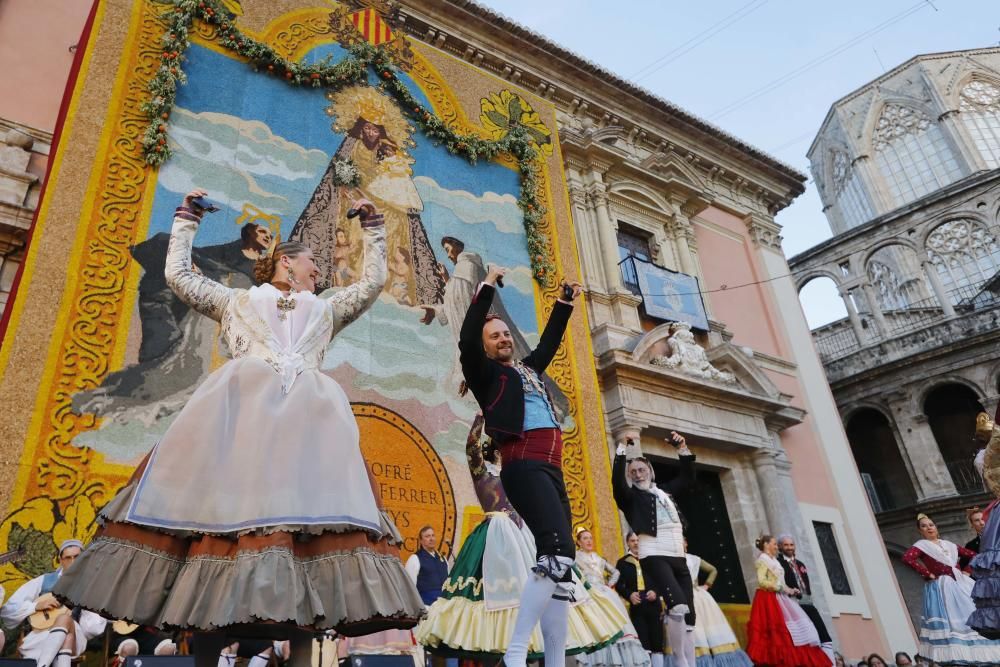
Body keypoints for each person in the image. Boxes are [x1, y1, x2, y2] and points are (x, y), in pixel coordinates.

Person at [52, 191, 425, 639]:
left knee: (305, 521)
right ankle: (209, 622)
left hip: (308, 428)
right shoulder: (236, 302)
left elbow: (369, 285)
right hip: (241, 422)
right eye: (313, 264)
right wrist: (187, 220)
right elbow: (178, 274)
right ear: (287, 262)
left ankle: (300, 622)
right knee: (222, 516)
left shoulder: (326, 309)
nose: (320, 272)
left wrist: (374, 228)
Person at [414, 415, 626, 660]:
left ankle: (533, 650)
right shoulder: (482, 472)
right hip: (496, 535)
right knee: (498, 598)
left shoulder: (515, 472)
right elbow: (471, 445)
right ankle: (509, 651)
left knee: (545, 587)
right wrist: (484, 414)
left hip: (525, 534)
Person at [456, 266, 582, 667]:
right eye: (495, 336)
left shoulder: (527, 369)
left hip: (551, 465)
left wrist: (563, 303)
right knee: (555, 553)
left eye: (506, 333)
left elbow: (548, 343)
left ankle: (556, 660)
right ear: (486, 347)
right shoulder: (486, 375)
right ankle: (515, 652)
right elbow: (465, 338)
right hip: (524, 462)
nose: (504, 338)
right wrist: (487, 286)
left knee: (565, 564)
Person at [611, 434, 696, 667]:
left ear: (650, 469)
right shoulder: (630, 498)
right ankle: (680, 661)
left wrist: (682, 448)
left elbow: (687, 477)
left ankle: (691, 663)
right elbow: (617, 484)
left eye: (641, 469)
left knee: (689, 618)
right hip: (654, 552)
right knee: (677, 606)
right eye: (633, 471)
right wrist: (621, 449)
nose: (638, 474)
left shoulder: (665, 492)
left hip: (678, 553)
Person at [902, 512, 1000, 664]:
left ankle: (984, 652)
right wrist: (927, 573)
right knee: (952, 621)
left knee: (971, 613)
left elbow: (974, 555)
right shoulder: (921, 546)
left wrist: (967, 570)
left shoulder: (949, 544)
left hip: (960, 584)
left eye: (931, 525)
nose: (929, 528)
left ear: (936, 527)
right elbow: (907, 558)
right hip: (943, 587)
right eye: (924, 526)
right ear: (920, 531)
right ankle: (961, 655)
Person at [2, 540, 106, 667]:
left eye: (77, 557)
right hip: (40, 636)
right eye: (68, 558)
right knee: (62, 636)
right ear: (61, 561)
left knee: (64, 619)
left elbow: (94, 629)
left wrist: (85, 606)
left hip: (74, 637)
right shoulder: (44, 581)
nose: (73, 562)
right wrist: (35, 606)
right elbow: (10, 610)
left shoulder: (91, 587)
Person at [745, 534, 829, 667]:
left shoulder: (774, 560)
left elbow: (780, 581)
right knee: (775, 633)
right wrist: (783, 589)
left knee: (796, 631)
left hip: (779, 596)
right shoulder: (762, 559)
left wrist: (790, 589)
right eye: (774, 544)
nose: (776, 546)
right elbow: (762, 581)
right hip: (768, 598)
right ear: (766, 545)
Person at [575, 528, 649, 667]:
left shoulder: (598, 558)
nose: (589, 541)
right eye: (585, 538)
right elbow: (575, 574)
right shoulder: (576, 557)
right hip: (589, 594)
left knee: (614, 625)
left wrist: (608, 585)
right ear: (578, 542)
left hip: (604, 592)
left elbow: (616, 572)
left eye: (590, 538)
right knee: (597, 626)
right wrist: (583, 585)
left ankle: (616, 660)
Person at [684, 540, 753, 667]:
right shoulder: (670, 560)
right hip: (683, 597)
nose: (685, 544)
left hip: (698, 597)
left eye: (684, 542)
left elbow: (713, 570)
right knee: (695, 630)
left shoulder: (693, 559)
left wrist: (706, 585)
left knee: (708, 627)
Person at [777, 533, 834, 660]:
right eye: (786, 545)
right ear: (780, 546)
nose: (789, 547)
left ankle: (830, 661)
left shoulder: (800, 563)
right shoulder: (778, 563)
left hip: (807, 601)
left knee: (823, 634)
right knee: (804, 637)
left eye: (791, 545)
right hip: (792, 604)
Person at [615, 532, 666, 667]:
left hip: (654, 604)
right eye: (633, 541)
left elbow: (662, 580)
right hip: (637, 606)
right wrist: (629, 595)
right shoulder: (622, 562)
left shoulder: (651, 559)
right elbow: (619, 585)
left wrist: (655, 592)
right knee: (643, 641)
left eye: (638, 540)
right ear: (628, 543)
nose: (636, 543)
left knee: (657, 641)